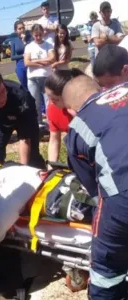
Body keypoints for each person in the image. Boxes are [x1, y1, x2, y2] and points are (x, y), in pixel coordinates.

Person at [62, 75, 128, 300]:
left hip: (123, 196)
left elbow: (93, 188)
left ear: (71, 110)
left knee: (105, 267)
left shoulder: (79, 126)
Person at [44, 68, 84, 165]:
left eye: (55, 99)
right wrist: (51, 167)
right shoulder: (53, 109)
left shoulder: (86, 106)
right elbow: (54, 140)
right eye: (48, 97)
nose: (51, 102)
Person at [24, 24, 55, 126]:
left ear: (43, 33)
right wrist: (43, 62)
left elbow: (52, 58)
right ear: (32, 35)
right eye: (36, 35)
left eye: (40, 35)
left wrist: (35, 61)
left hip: (46, 77)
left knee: (49, 101)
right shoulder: (29, 47)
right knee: (36, 102)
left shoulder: (48, 45)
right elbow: (27, 62)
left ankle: (51, 122)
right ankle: (39, 123)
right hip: (33, 78)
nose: (38, 37)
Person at [10, 20, 32, 90]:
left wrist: (24, 41)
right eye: (19, 29)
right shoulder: (14, 41)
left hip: (30, 64)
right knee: (25, 86)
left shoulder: (30, 38)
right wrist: (22, 56)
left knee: (32, 85)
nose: (22, 30)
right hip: (20, 65)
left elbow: (32, 51)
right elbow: (12, 57)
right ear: (16, 31)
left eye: (23, 28)